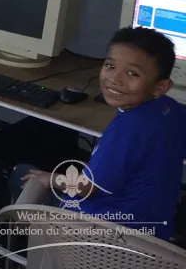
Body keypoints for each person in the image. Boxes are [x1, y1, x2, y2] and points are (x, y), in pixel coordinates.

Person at [12, 27, 186, 240]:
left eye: (132, 73)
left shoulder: (127, 129)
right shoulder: (171, 109)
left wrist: (49, 179)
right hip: (151, 237)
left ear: (159, 87)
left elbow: (86, 188)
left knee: (22, 175)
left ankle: (25, 247)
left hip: (101, 236)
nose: (115, 79)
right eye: (110, 66)